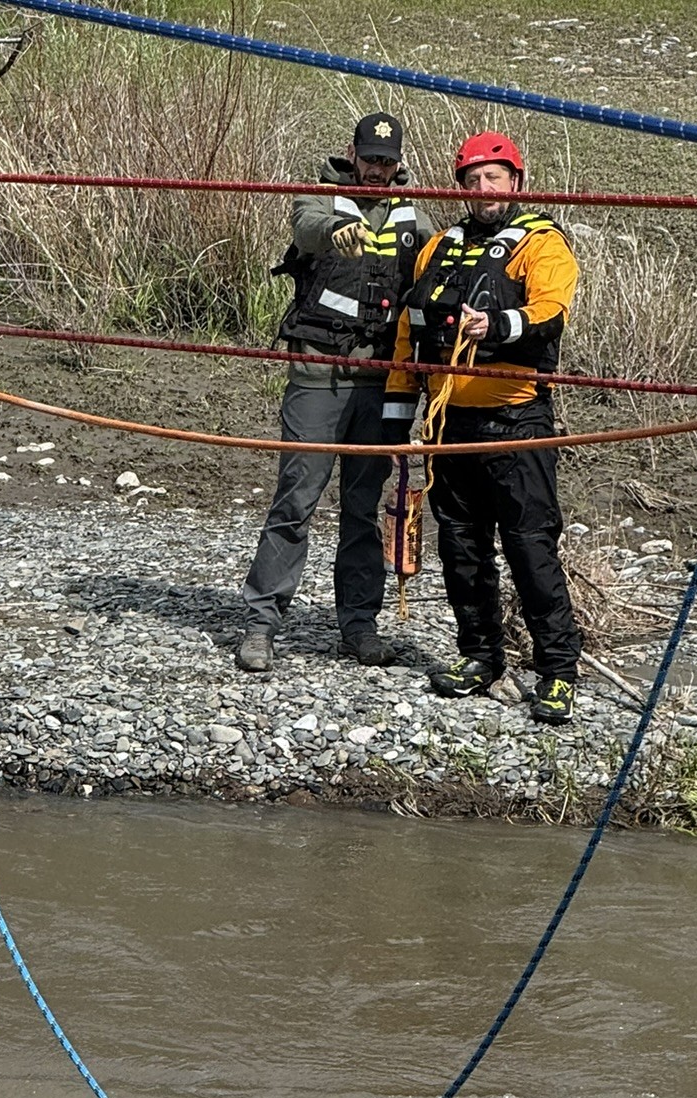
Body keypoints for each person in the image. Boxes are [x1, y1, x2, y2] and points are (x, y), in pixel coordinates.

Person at [385, 130, 583, 725]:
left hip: (517, 419)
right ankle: (479, 656)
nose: (483, 188)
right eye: (472, 179)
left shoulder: (542, 244)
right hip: (448, 423)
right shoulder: (438, 247)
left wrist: (496, 325)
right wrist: (399, 419)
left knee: (530, 548)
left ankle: (558, 671)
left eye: (494, 177)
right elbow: (406, 333)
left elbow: (552, 310)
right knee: (461, 548)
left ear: (516, 182)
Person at [236, 111, 426, 675]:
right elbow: (307, 229)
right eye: (370, 159)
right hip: (319, 373)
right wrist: (335, 234)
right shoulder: (319, 199)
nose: (377, 169)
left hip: (381, 381)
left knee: (363, 509)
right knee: (295, 500)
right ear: (353, 154)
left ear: (398, 166)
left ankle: (359, 626)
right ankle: (262, 623)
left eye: (387, 162)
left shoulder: (417, 215)